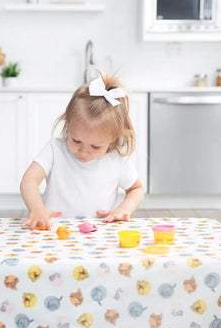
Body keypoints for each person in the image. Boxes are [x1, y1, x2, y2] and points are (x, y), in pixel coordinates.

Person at [20, 72, 144, 229]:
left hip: (98, 233)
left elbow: (136, 189)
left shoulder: (116, 159)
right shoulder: (54, 150)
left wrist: (123, 209)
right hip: (53, 231)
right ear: (68, 124)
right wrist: (36, 208)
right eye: (76, 140)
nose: (84, 151)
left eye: (95, 146)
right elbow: (29, 179)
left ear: (114, 137)